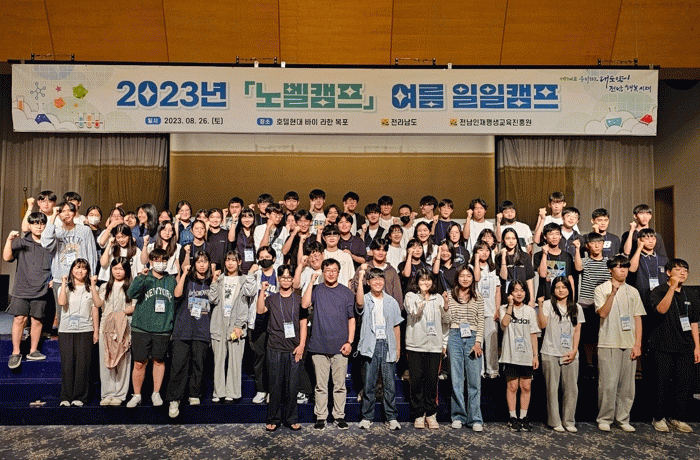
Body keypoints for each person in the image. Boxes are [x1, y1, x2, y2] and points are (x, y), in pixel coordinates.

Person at [302, 259, 355, 430]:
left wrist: (350, 341)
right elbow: (304, 304)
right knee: (321, 386)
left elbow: (351, 319)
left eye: (334, 270)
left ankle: (339, 416)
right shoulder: (316, 290)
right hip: (319, 345)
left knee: (339, 385)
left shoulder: (346, 292)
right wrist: (311, 282)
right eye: (327, 270)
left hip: (340, 346)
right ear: (323, 272)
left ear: (339, 272)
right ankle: (321, 416)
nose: (331, 273)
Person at [594, 255, 645, 432]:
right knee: (608, 384)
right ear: (610, 270)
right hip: (608, 343)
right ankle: (605, 418)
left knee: (627, 386)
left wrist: (637, 344)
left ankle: (623, 418)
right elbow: (602, 313)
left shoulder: (633, 291)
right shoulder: (601, 289)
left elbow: (638, 318)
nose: (622, 270)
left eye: (625, 267)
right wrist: (612, 293)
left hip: (629, 343)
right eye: (618, 266)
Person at [648, 259, 700, 433]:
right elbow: (661, 310)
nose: (682, 273)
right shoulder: (658, 291)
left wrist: (697, 347)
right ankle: (658, 417)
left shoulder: (690, 294)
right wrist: (672, 288)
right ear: (668, 272)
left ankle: (677, 417)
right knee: (661, 383)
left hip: (685, 346)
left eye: (685, 270)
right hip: (663, 345)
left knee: (683, 384)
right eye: (678, 269)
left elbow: (694, 322)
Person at [258, 264, 308, 431]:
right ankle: (273, 418)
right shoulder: (272, 299)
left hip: (294, 349)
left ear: (293, 280)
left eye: (289, 277)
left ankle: (291, 418)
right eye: (283, 277)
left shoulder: (299, 300)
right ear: (278, 279)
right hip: (274, 347)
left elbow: (303, 324)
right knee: (275, 385)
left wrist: (301, 345)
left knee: (292, 387)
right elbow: (260, 310)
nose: (286, 280)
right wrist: (262, 291)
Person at [126, 248, 177, 408]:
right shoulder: (143, 277)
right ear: (151, 261)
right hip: (141, 327)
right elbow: (131, 294)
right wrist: (141, 277)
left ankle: (156, 393)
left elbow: (176, 303)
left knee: (159, 361)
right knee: (139, 363)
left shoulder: (171, 280)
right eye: (157, 260)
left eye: (163, 260)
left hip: (162, 328)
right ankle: (137, 395)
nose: (160, 263)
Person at [167, 251, 215, 417]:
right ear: (194, 264)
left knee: (198, 364)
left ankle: (194, 394)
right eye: (199, 262)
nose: (202, 265)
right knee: (178, 365)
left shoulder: (211, 281)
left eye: (205, 261)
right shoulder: (187, 279)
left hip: (202, 329)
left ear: (209, 264)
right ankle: (174, 399)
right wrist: (184, 274)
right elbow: (177, 294)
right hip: (183, 329)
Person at [355, 267, 403, 430]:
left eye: (380, 279)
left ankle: (391, 417)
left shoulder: (391, 301)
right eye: (374, 279)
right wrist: (361, 277)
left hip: (387, 344)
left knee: (389, 384)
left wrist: (397, 347)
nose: (378, 282)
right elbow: (359, 304)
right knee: (369, 383)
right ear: (368, 282)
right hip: (370, 344)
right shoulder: (365, 298)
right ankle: (367, 417)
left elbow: (396, 326)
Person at [4, 212, 53, 368]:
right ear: (29, 226)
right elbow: (7, 257)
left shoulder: (50, 243)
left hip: (41, 289)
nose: (39, 226)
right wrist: (9, 240)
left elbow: (57, 262)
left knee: (37, 320)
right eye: (35, 223)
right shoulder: (22, 242)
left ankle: (33, 351)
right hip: (22, 289)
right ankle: (15, 352)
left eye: (42, 223)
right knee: (19, 319)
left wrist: (54, 278)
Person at [537, 277, 584, 432]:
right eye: (557, 287)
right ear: (553, 290)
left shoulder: (576, 307)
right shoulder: (548, 305)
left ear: (569, 289)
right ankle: (555, 421)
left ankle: (569, 421)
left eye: (564, 287)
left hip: (570, 353)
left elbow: (577, 331)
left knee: (571, 389)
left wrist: (574, 350)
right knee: (552, 389)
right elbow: (542, 325)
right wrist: (540, 306)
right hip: (550, 352)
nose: (561, 290)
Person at [41, 201, 98, 328]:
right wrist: (53, 216)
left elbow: (92, 253)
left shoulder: (85, 230)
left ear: (74, 213)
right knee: (62, 314)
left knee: (83, 312)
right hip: (61, 278)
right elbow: (45, 242)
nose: (67, 214)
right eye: (63, 211)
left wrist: (91, 275)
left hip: (82, 277)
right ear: (59, 214)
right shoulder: (56, 231)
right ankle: (63, 339)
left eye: (70, 210)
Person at [404, 268, 447, 429]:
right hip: (415, 345)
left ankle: (431, 414)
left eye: (428, 279)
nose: (425, 282)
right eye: (422, 279)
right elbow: (414, 312)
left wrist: (444, 343)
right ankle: (418, 414)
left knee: (431, 382)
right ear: (417, 282)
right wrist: (422, 297)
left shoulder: (438, 298)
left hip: (434, 346)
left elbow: (445, 322)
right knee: (416, 382)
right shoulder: (410, 296)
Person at [445, 265, 485, 431]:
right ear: (457, 278)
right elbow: (446, 319)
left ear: (473, 278)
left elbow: (481, 321)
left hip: (473, 338)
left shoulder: (478, 297)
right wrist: (446, 305)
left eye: (468, 275)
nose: (465, 279)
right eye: (462, 276)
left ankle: (475, 418)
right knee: (457, 379)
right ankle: (458, 416)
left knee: (474, 381)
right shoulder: (449, 295)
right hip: (454, 335)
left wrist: (478, 342)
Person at [57, 259, 99, 406]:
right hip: (66, 330)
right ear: (72, 270)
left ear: (88, 271)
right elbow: (62, 303)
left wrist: (96, 331)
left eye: (83, 268)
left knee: (83, 364)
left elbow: (95, 309)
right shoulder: (64, 287)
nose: (80, 271)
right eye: (77, 268)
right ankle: (66, 396)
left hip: (86, 329)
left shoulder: (92, 288)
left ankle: (80, 397)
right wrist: (63, 283)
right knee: (67, 364)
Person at [499, 280, 540, 432]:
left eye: (521, 290)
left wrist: (535, 355)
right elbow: (504, 324)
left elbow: (533, 334)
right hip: (510, 354)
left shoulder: (530, 311)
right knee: (512, 386)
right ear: (510, 293)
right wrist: (510, 305)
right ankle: (512, 417)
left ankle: (523, 417)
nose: (519, 293)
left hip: (527, 354)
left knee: (526, 386)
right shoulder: (504, 308)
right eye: (515, 290)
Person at [208, 251, 248, 402]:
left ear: (239, 262)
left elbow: (245, 304)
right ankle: (218, 392)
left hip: (236, 322)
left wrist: (239, 325)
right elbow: (212, 300)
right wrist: (214, 281)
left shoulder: (244, 280)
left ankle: (233, 392)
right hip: (219, 321)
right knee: (218, 360)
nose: (230, 263)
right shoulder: (220, 279)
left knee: (235, 360)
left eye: (233, 260)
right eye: (228, 260)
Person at [241, 246, 279, 404]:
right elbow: (248, 292)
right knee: (259, 358)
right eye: (261, 257)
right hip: (257, 321)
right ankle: (261, 390)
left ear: (274, 259)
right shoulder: (255, 274)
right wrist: (250, 274)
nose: (265, 260)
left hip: (275, 321)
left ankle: (273, 390)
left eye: (268, 257)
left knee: (274, 359)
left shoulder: (279, 274)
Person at [95, 257, 134, 406]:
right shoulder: (104, 286)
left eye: (121, 269)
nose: (118, 272)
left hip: (124, 326)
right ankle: (107, 393)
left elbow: (135, 306)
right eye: (115, 268)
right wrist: (92, 286)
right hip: (106, 327)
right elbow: (98, 304)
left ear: (127, 270)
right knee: (107, 360)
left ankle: (120, 394)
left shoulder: (132, 286)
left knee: (123, 361)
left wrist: (121, 314)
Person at [472, 241, 500, 378]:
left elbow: (498, 290)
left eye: (487, 250)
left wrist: (497, 309)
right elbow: (476, 278)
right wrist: (476, 260)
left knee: (491, 342)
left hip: (490, 310)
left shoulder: (493, 269)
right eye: (481, 250)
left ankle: (492, 369)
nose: (484, 253)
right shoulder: (471, 267)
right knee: (478, 342)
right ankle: (479, 370)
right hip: (476, 311)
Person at [533, 223, 575, 305]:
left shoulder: (567, 256)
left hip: (563, 299)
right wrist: (544, 254)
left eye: (557, 234)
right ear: (545, 237)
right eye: (551, 234)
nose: (554, 237)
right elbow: (542, 275)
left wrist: (572, 299)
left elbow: (570, 278)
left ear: (560, 236)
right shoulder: (538, 255)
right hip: (545, 298)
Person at [496, 228, 535, 307]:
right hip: (506, 296)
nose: (511, 241)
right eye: (508, 238)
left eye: (513, 238)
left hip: (522, 296)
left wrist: (532, 298)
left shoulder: (525, 256)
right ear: (503, 240)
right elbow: (503, 277)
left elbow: (529, 279)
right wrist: (503, 257)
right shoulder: (498, 257)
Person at [253, 203, 289, 268]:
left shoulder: (284, 230)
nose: (278, 217)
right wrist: (268, 228)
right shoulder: (259, 229)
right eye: (275, 214)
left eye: (280, 214)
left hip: (278, 267)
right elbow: (262, 248)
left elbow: (285, 251)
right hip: (263, 266)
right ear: (268, 215)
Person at [233, 208, 257, 275]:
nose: (247, 220)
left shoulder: (257, 231)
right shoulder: (237, 231)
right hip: (240, 267)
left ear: (254, 218)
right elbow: (231, 239)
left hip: (254, 267)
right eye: (244, 217)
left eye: (250, 217)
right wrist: (233, 222)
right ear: (240, 219)